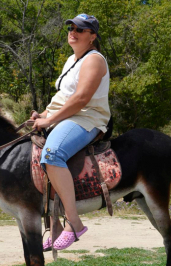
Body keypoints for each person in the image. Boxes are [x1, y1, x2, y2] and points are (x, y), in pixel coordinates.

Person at [31, 13, 110, 251]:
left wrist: (50, 120)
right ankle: (55, 224)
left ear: (92, 36)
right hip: (68, 117)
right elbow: (63, 97)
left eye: (80, 29)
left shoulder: (94, 60)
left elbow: (81, 99)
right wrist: (43, 115)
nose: (73, 32)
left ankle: (74, 223)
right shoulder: (71, 60)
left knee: (53, 154)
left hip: (87, 118)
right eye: (71, 28)